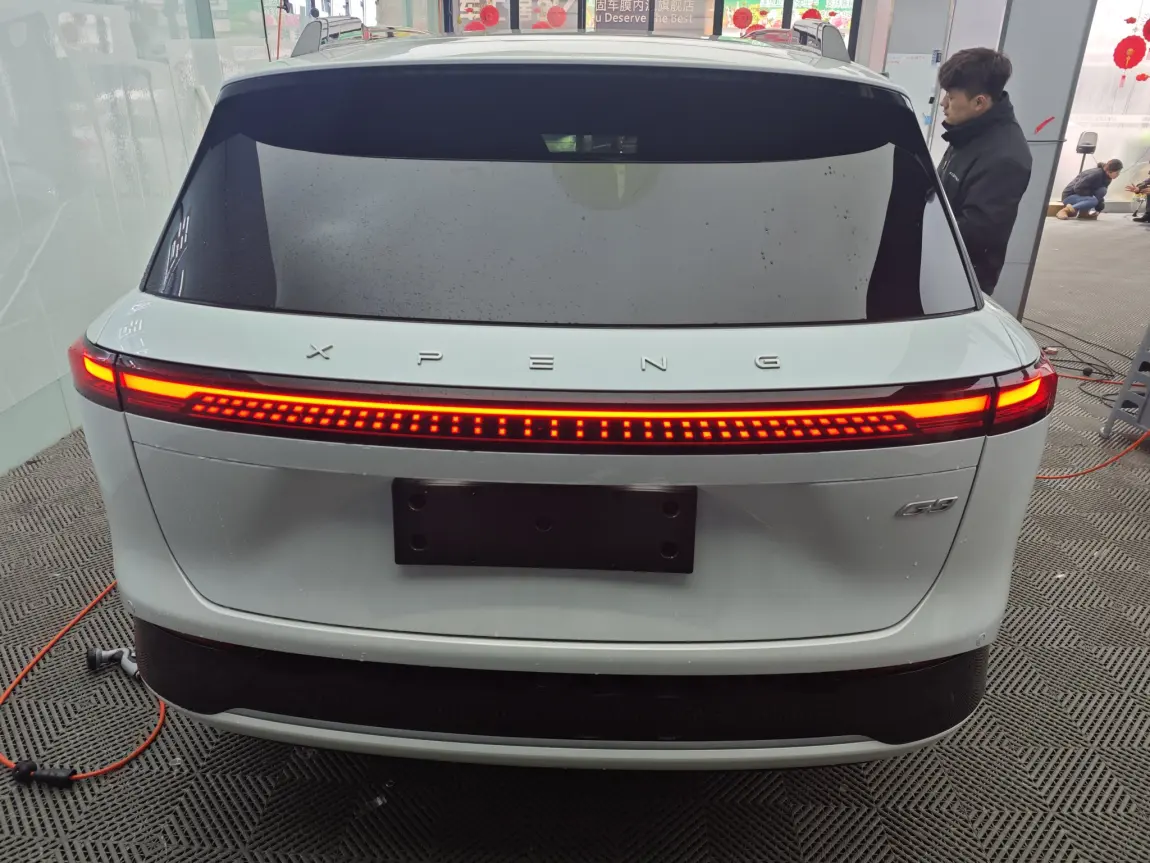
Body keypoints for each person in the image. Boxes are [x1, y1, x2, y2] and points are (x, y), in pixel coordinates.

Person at [936, 48, 1033, 296]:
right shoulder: (969, 132)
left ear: (979, 102)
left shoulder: (1005, 158)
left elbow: (975, 233)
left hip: (962, 280)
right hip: (940, 262)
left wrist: (913, 232)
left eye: (951, 97)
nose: (943, 104)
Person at [1056, 160, 1123, 220]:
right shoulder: (1096, 174)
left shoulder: (1107, 178)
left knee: (1102, 190)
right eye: (1117, 173)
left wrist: (1099, 208)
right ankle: (1064, 211)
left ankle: (1084, 213)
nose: (1118, 175)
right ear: (1109, 171)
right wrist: (1092, 196)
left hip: (1080, 196)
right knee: (1093, 200)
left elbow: (1099, 194)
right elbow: (1078, 188)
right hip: (1069, 196)